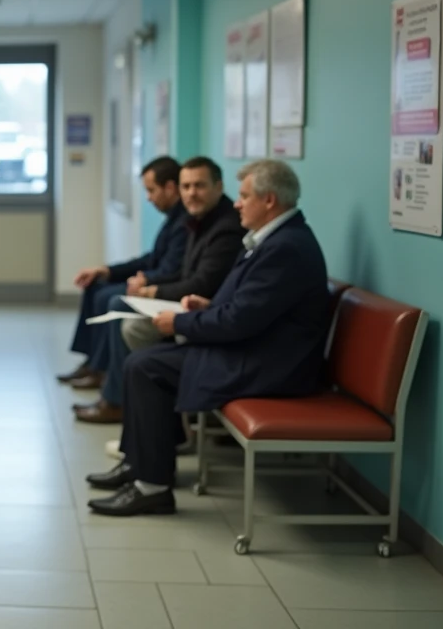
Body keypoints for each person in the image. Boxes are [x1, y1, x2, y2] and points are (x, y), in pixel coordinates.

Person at [86, 159, 328, 517]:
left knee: (146, 366)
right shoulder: (274, 239)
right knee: (145, 362)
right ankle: (139, 466)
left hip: (270, 364)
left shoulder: (284, 247)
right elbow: (249, 307)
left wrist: (183, 323)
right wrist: (208, 305)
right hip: (255, 348)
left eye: (245, 196)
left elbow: (240, 321)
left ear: (270, 200)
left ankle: (151, 486)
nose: (237, 203)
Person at [74, 157, 243, 423]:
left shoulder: (224, 227)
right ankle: (102, 374)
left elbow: (201, 284)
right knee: (107, 294)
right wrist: (117, 273)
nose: (191, 193)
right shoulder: (199, 218)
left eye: (198, 186)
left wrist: (152, 291)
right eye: (186, 186)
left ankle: (119, 398)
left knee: (120, 308)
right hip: (188, 299)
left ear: (218, 186)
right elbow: (175, 268)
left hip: (202, 309)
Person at [59, 156, 187, 387]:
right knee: (95, 285)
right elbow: (152, 259)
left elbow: (173, 270)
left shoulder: (185, 222)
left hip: (165, 290)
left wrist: (147, 281)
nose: (148, 198)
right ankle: (92, 363)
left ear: (169, 188)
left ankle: (103, 372)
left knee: (109, 298)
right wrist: (106, 270)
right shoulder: (173, 219)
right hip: (153, 282)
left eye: (151, 190)